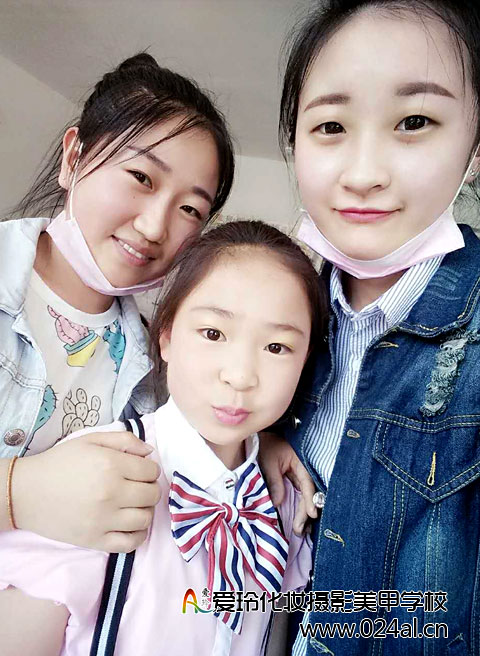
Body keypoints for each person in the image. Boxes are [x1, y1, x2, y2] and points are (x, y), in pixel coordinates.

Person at [259, 1, 480, 654]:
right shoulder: (279, 309)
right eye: (330, 126)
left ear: (474, 149)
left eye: (414, 122)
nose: (363, 175)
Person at [0, 220, 328, 656]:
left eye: (276, 347)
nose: (240, 376)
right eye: (213, 334)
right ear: (166, 335)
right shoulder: (93, 476)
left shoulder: (286, 500)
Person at [0, 52, 234, 554]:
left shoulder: (156, 363)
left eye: (190, 208)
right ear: (73, 158)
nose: (154, 227)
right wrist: (17, 494)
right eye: (141, 177)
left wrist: (259, 445)